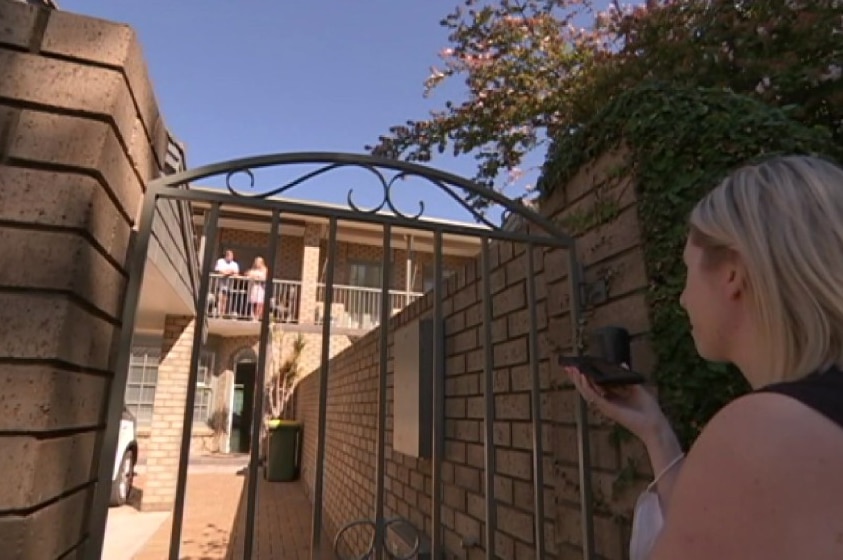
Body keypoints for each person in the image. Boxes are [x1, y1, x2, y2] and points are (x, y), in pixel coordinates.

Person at [565, 155, 843, 559]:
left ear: (732, 271)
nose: (682, 298)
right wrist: (655, 431)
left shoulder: (762, 431)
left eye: (687, 272)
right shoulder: (812, 423)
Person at [214, 249, 239, 316]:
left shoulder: (234, 264)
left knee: (225, 300)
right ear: (226, 256)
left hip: (229, 285)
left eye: (232, 256)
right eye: (230, 256)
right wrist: (229, 272)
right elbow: (218, 271)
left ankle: (222, 314)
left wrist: (227, 272)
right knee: (219, 298)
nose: (231, 257)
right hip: (220, 283)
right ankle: (218, 313)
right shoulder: (220, 261)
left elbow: (236, 273)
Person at [246, 256, 268, 320]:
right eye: (256, 261)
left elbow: (264, 278)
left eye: (259, 262)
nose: (257, 263)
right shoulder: (253, 269)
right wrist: (253, 276)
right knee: (253, 301)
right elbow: (248, 274)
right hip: (253, 287)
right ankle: (252, 316)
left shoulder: (264, 269)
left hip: (261, 287)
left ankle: (258, 316)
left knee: (260, 302)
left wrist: (257, 277)